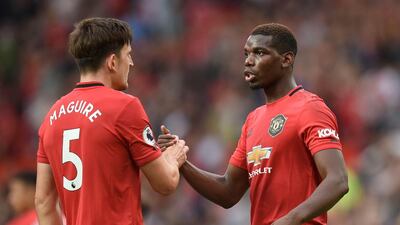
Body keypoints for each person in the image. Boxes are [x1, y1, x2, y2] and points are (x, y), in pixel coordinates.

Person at [158, 23, 348, 225]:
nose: (248, 61)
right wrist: (182, 163)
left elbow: (338, 181)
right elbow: (228, 191)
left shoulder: (310, 108)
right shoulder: (253, 120)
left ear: (286, 59)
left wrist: (291, 219)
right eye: (246, 54)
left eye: (259, 53)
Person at [35, 17, 189, 225]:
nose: (132, 63)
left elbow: (44, 202)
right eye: (129, 55)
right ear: (112, 62)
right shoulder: (124, 107)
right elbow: (166, 183)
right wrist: (173, 156)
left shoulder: (52, 116)